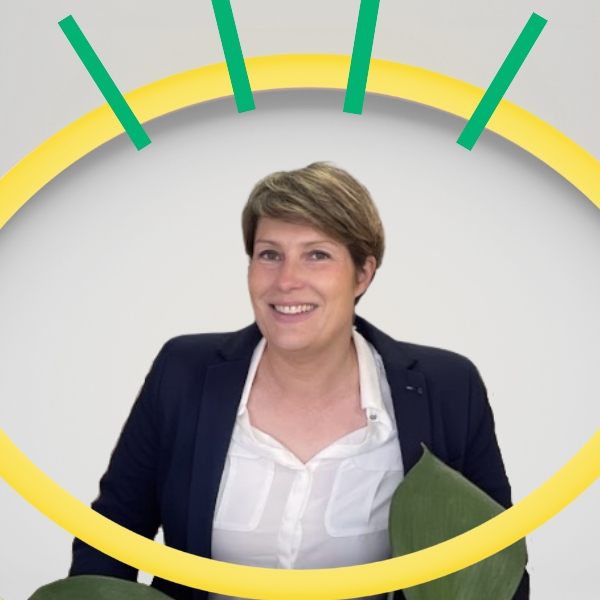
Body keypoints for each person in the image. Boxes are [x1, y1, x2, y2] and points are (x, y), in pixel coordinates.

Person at [69, 162, 529, 599]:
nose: (286, 280)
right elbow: (112, 536)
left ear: (363, 274)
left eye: (317, 255)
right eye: (270, 254)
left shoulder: (447, 387)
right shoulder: (182, 371)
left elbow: (495, 566)